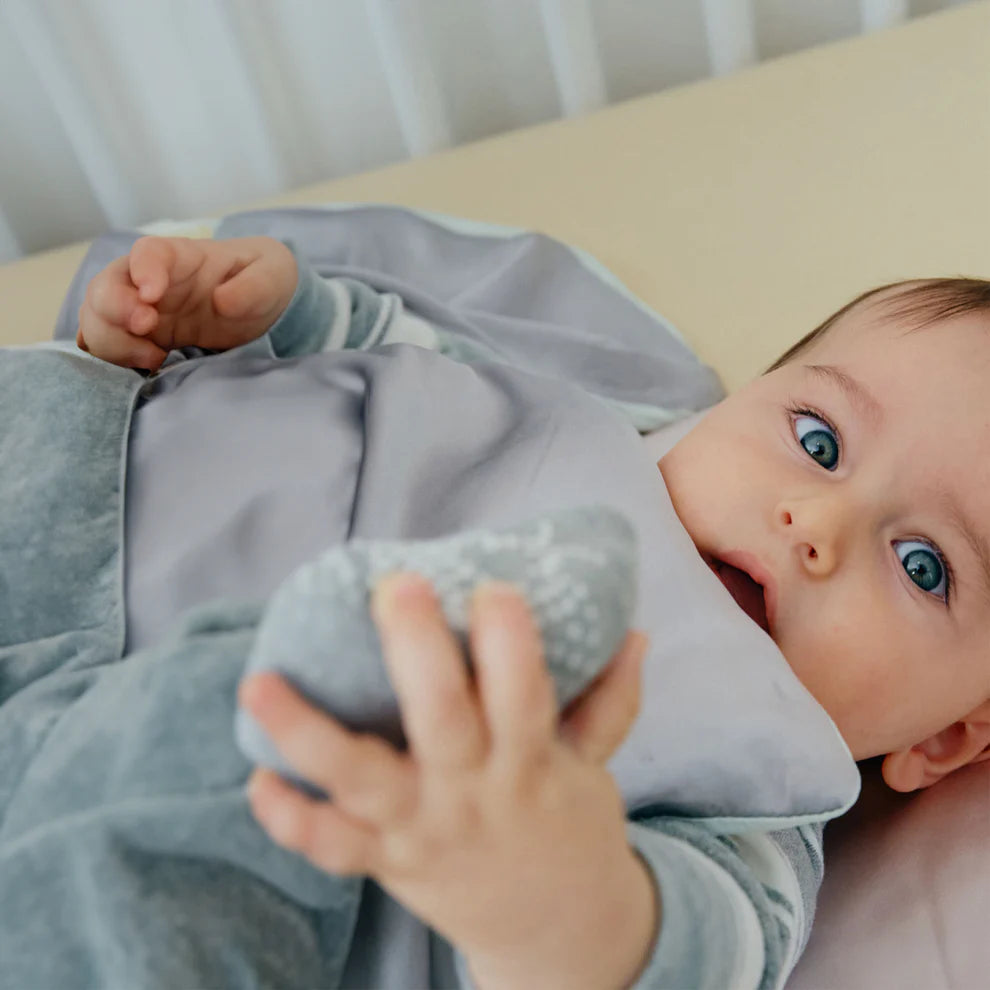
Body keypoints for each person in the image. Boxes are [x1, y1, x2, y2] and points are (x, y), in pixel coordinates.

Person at [24, 228, 990, 988]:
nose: (816, 523)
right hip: (92, 536)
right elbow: (419, 371)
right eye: (818, 441)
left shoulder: (759, 803)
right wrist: (264, 311)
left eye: (923, 566)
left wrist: (563, 900)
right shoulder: (594, 425)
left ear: (943, 741)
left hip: (231, 811)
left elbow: (695, 955)